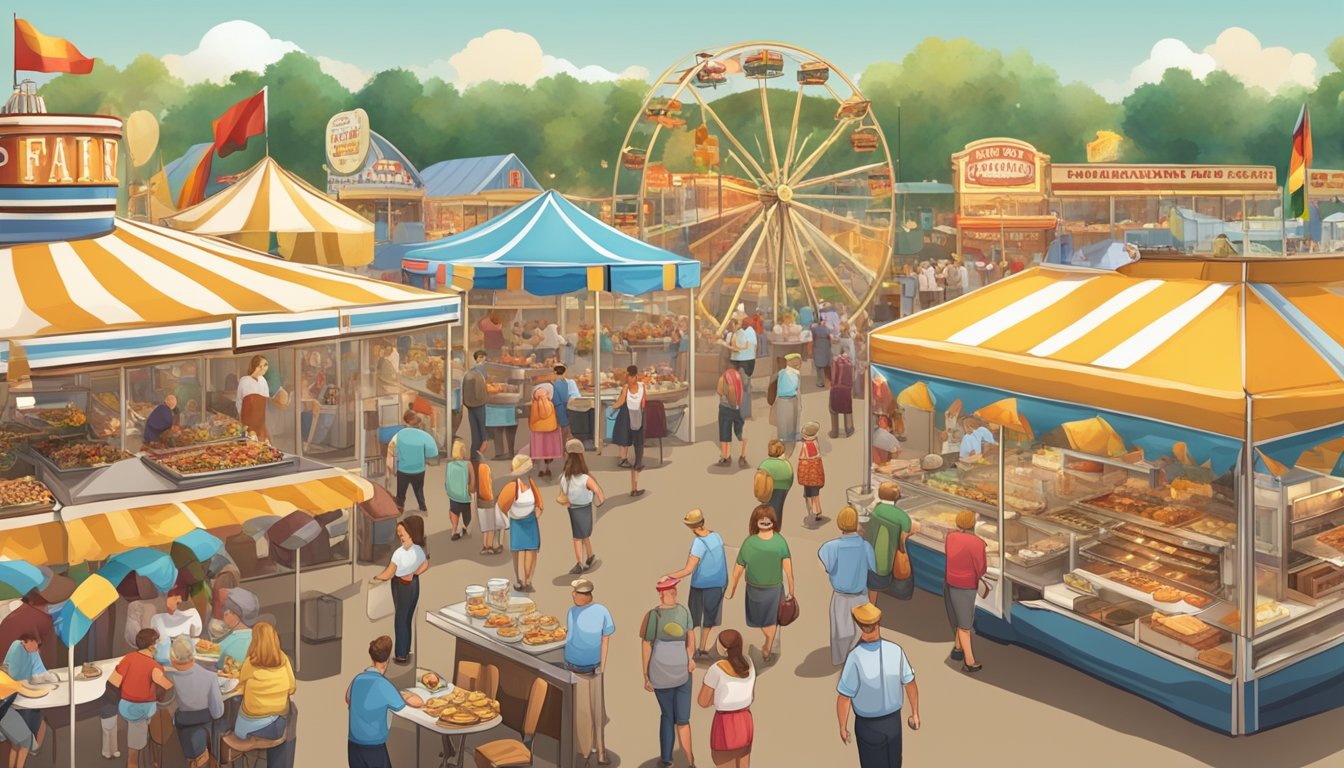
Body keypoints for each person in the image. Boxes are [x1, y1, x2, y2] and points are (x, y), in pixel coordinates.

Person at [836, 603, 921, 768]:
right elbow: (910, 683)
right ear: (878, 624)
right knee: (894, 762)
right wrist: (915, 713)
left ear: (859, 627)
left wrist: (842, 726)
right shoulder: (896, 651)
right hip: (894, 723)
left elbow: (845, 697)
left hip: (867, 726)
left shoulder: (855, 658)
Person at [727, 505, 794, 663]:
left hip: (769, 589)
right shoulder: (776, 541)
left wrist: (732, 588)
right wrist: (732, 588)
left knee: (766, 621)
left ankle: (768, 644)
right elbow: (789, 571)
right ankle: (768, 642)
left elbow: (738, 568)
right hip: (760, 589)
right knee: (763, 620)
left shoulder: (752, 542)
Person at [642, 577, 696, 768]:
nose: (672, 594)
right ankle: (666, 758)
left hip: (683, 673)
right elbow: (646, 644)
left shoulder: (684, 611)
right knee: (667, 715)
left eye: (674, 591)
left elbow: (691, 637)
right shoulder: (653, 615)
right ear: (661, 594)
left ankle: (690, 761)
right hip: (660, 673)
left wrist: (690, 658)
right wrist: (646, 675)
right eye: (668, 591)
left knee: (682, 719)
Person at [346, 635, 424, 768]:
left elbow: (348, 699)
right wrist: (403, 695)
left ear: (372, 657)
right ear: (387, 660)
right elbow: (418, 702)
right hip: (373, 747)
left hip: (353, 746)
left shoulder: (357, 679)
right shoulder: (384, 685)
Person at [663, 509, 728, 659]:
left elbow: (688, 569)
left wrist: (668, 576)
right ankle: (703, 648)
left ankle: (691, 650)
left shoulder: (698, 543)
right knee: (710, 618)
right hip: (718, 584)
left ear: (691, 527)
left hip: (700, 585)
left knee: (694, 618)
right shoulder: (716, 536)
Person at [564, 579, 614, 766]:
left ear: (585, 595)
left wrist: (602, 664)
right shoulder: (572, 611)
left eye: (576, 592)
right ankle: (587, 752)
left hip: (591, 667)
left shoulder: (601, 611)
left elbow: (605, 639)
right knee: (584, 712)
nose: (573, 595)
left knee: (593, 712)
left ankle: (598, 751)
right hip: (575, 667)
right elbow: (570, 636)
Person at [819, 507, 877, 666]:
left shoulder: (830, 547)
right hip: (861, 597)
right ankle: (858, 663)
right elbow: (874, 569)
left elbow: (827, 567)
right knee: (861, 633)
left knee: (840, 633)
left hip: (840, 597)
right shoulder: (866, 546)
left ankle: (842, 661)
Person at [110, 628, 173, 768]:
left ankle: (150, 749)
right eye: (158, 642)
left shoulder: (128, 658)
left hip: (125, 706)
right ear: (152, 646)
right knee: (135, 748)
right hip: (141, 709)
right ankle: (138, 761)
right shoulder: (154, 666)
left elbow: (113, 683)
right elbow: (166, 686)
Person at [230, 622, 295, 759]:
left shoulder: (250, 662)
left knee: (231, 711)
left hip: (250, 727)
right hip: (279, 723)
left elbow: (241, 683)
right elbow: (292, 688)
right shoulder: (284, 660)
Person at [372, 516, 429, 665]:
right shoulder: (419, 550)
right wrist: (414, 573)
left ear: (410, 532)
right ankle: (405, 650)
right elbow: (425, 564)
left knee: (400, 619)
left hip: (401, 585)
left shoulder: (400, 552)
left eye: (401, 533)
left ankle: (400, 653)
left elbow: (389, 573)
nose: (400, 536)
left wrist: (377, 578)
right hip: (414, 584)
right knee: (407, 618)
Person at [699, 629, 755, 768]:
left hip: (726, 724)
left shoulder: (716, 669)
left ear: (723, 649)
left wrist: (719, 697)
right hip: (745, 721)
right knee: (743, 764)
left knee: (724, 763)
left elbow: (703, 702)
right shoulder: (749, 663)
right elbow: (752, 696)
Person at [166, 635, 224, 768]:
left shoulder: (169, 678)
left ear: (173, 657)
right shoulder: (210, 677)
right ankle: (206, 758)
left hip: (182, 724)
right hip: (205, 723)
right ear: (193, 654)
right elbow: (218, 712)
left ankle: (195, 759)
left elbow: (166, 707)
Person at [945, 510, 987, 673]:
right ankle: (969, 662)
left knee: (959, 614)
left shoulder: (951, 537)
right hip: (967, 585)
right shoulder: (978, 543)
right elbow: (981, 568)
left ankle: (957, 650)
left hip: (951, 581)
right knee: (965, 625)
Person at [1, 634, 53, 755]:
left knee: (31, 710)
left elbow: (34, 675)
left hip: (15, 689)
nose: (37, 649)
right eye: (36, 645)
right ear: (30, 641)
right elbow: (15, 674)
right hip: (10, 690)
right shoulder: (17, 647)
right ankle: (30, 743)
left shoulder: (28, 651)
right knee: (29, 712)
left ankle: (30, 742)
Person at [498, 455, 543, 591]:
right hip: (517, 523)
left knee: (531, 550)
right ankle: (519, 579)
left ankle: (528, 580)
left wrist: (537, 515)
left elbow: (540, 503)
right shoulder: (512, 486)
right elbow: (501, 506)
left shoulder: (531, 483)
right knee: (518, 551)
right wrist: (508, 521)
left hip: (530, 521)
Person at [561, 439, 605, 575]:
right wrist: (598, 501)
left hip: (574, 508)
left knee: (577, 536)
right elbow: (599, 493)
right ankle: (590, 556)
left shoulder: (565, 478)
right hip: (585, 507)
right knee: (583, 534)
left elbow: (563, 493)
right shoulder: (586, 478)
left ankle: (580, 563)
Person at [867, 483, 917, 602]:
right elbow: (908, 528)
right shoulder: (901, 515)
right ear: (897, 497)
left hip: (871, 554)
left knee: (871, 586)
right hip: (886, 559)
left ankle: (869, 606)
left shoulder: (877, 508)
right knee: (878, 582)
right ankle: (870, 611)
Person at [387, 410, 438, 514]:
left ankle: (400, 509)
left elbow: (391, 449)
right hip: (419, 470)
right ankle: (423, 508)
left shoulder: (399, 435)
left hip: (403, 470)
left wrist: (393, 466)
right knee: (419, 491)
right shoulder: (424, 436)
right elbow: (433, 453)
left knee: (401, 493)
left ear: (405, 421)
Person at [611, 365, 647, 496]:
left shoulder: (626, 387)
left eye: (629, 375)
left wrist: (612, 407)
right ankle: (632, 462)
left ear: (633, 376)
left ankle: (624, 459)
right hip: (637, 414)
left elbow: (621, 401)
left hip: (626, 413)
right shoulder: (642, 386)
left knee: (623, 436)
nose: (628, 378)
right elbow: (644, 401)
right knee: (630, 438)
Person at [151, 586, 203, 663]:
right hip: (180, 655)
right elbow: (197, 631)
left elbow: (197, 632)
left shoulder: (156, 617)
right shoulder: (191, 613)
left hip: (168, 657)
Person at [216, 588, 260, 670]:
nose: (223, 615)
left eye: (226, 611)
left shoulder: (238, 641)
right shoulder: (255, 637)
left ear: (233, 614)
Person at [529, 382, 563, 478]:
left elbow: (532, 418)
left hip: (537, 429)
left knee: (539, 449)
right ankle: (548, 468)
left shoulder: (534, 405)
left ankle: (541, 468)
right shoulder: (550, 404)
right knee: (548, 449)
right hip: (551, 428)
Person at [716, 363, 748, 468]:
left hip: (725, 408)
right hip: (739, 408)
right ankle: (742, 457)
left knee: (725, 433)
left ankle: (726, 457)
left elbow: (720, 391)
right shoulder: (741, 376)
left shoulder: (724, 377)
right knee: (741, 433)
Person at [758, 440, 794, 530]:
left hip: (767, 489)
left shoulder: (765, 464)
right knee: (778, 508)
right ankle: (776, 528)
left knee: (767, 508)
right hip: (783, 488)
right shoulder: (786, 464)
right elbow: (790, 476)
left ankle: (767, 527)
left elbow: (759, 479)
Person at [462, 350, 490, 461]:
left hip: (470, 404)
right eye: (481, 357)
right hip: (480, 403)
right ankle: (482, 447)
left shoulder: (470, 372)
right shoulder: (482, 370)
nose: (483, 359)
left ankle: (474, 456)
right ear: (477, 358)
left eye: (484, 357)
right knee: (482, 429)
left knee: (475, 431)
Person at [474, 449, 504, 556]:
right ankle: (490, 546)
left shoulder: (476, 470)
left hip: (480, 502)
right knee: (491, 526)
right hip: (489, 501)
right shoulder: (486, 469)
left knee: (485, 526)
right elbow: (490, 485)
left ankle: (484, 546)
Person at [797, 421, 826, 527]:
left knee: (808, 495)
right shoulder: (816, 443)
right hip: (816, 473)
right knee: (816, 494)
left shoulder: (805, 446)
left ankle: (810, 512)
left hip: (808, 474)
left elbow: (803, 458)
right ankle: (818, 511)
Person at [236, 354, 271, 442]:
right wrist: (243, 423)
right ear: (254, 366)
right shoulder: (244, 381)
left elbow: (265, 402)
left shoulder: (263, 381)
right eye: (260, 366)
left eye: (265, 365)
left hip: (261, 421)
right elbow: (239, 402)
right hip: (248, 421)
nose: (263, 368)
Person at [445, 439, 474, 541]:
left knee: (454, 510)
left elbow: (447, 481)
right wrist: (471, 491)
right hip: (464, 495)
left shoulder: (449, 465)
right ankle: (467, 527)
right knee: (467, 513)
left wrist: (449, 491)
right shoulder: (468, 464)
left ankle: (454, 529)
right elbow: (472, 480)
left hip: (453, 495)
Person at [729, 311, 757, 420]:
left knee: (745, 387)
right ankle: (742, 413)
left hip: (745, 363)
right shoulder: (737, 334)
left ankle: (744, 413)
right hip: (742, 363)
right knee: (743, 387)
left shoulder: (746, 332)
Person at [772, 354, 802, 454]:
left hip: (781, 400)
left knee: (782, 421)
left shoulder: (781, 373)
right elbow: (798, 391)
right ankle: (793, 438)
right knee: (792, 420)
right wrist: (800, 404)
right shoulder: (796, 374)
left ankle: (782, 440)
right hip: (791, 400)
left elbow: (777, 387)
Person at [829, 345, 855, 438]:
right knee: (847, 409)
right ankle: (849, 429)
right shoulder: (850, 364)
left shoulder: (835, 362)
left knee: (833, 410)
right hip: (846, 389)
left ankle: (834, 431)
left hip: (836, 388)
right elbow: (853, 378)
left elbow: (831, 376)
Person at [809, 315, 833, 388]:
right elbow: (830, 337)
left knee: (818, 365)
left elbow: (810, 332)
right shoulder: (827, 328)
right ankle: (829, 380)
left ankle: (820, 382)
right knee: (827, 364)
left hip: (817, 344)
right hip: (825, 345)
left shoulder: (814, 328)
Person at [553, 364, 574, 441]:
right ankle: (563, 446)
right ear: (564, 373)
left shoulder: (554, 384)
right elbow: (565, 398)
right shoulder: (565, 383)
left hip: (557, 407)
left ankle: (559, 446)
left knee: (559, 428)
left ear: (555, 373)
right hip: (562, 407)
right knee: (564, 427)